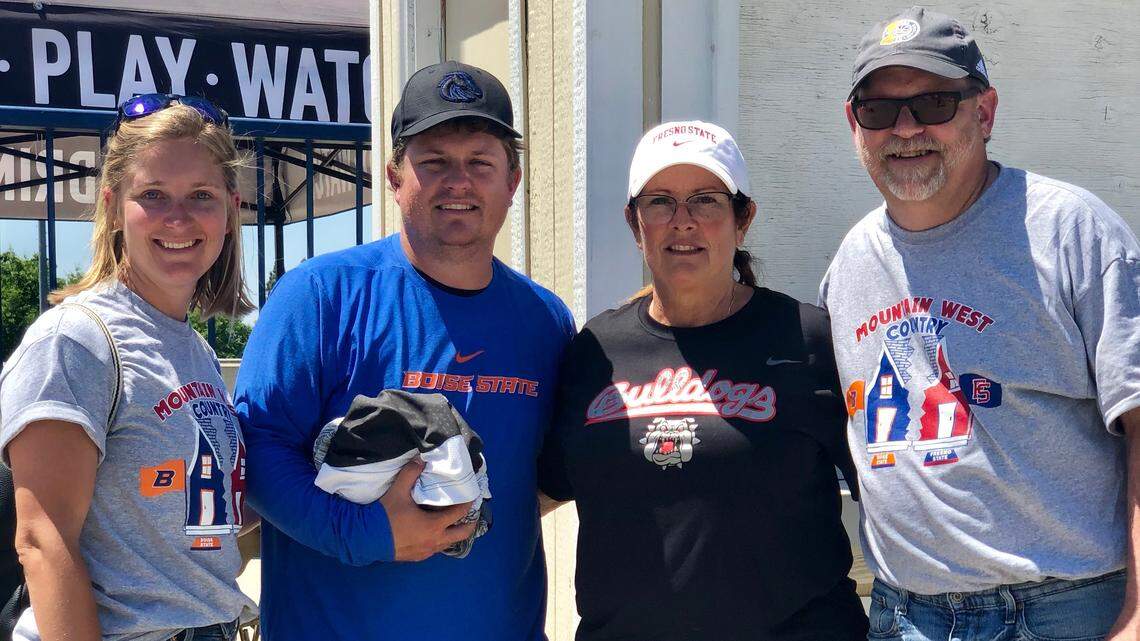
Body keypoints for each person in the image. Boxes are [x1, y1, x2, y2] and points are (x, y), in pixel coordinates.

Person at [819, 7, 1140, 641]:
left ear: (985, 113)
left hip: (1065, 611)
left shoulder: (1072, 234)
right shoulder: (851, 264)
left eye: (934, 103)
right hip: (906, 615)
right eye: (879, 110)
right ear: (855, 125)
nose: (906, 128)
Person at [233, 61, 574, 641]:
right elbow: (258, 453)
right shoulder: (318, 296)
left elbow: (541, 477)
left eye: (480, 163)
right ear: (394, 178)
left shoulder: (546, 321)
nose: (458, 182)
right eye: (434, 162)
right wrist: (369, 533)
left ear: (512, 182)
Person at [538, 120, 868, 641]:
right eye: (660, 202)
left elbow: (892, 490)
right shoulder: (595, 351)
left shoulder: (808, 339)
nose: (683, 222)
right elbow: (543, 487)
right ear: (635, 223)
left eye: (706, 201)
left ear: (743, 218)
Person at [0, 94, 256, 641]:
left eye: (202, 195)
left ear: (230, 210)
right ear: (115, 206)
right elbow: (42, 540)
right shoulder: (77, 339)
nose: (178, 218)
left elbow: (191, 527)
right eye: (153, 195)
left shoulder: (197, 352)